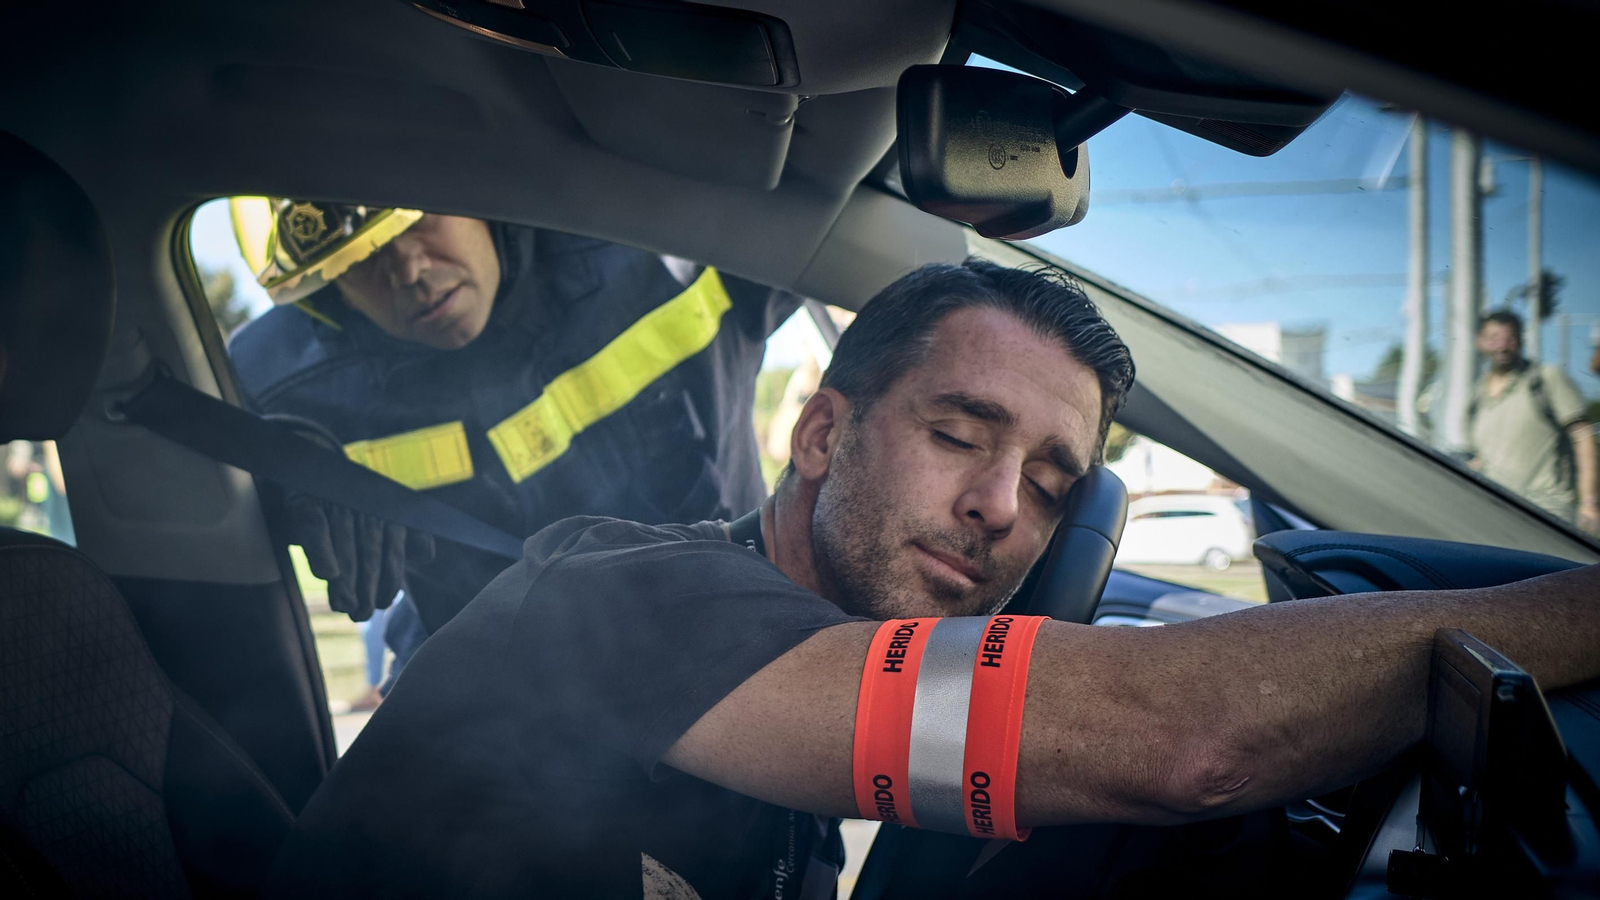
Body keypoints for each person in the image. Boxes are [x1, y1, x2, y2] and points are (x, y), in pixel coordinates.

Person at [263, 260, 1600, 899]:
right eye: (958, 434)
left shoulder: (794, 702)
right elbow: (1176, 740)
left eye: (1056, 484)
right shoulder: (626, 593)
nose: (999, 507)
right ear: (825, 434)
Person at [227, 200, 800, 687]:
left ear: (481, 195)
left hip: (724, 666)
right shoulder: (283, 389)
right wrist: (285, 464)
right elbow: (175, 487)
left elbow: (826, 228)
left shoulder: (658, 248)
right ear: (327, 292)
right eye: (362, 258)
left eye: (417, 219)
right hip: (484, 715)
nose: (408, 271)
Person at [1468, 309, 1598, 531]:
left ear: (1521, 340)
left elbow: (1583, 437)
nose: (1502, 346)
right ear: (1479, 342)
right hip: (1495, 514)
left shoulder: (1545, 379)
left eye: (1510, 338)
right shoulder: (1476, 394)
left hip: (1546, 512)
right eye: (1493, 338)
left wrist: (1590, 504)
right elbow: (1484, 456)